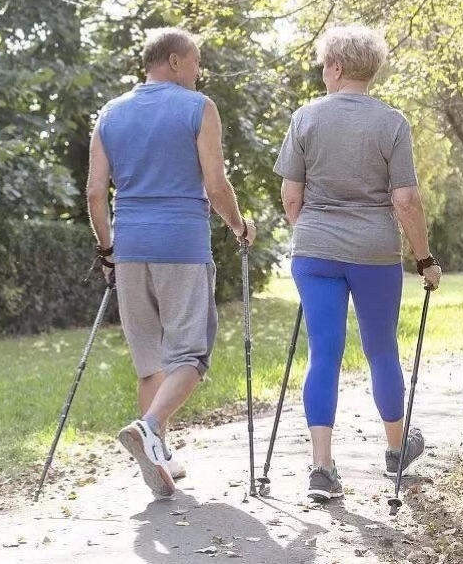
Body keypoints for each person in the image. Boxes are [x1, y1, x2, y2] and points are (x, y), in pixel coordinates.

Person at [273, 24, 443, 502]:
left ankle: (322, 467)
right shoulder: (391, 123)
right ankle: (395, 453)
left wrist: (308, 232)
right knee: (381, 350)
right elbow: (406, 199)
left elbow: (291, 195)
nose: (323, 72)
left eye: (325, 64)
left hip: (316, 251)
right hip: (374, 252)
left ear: (338, 67)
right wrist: (424, 258)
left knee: (323, 353)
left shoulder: (305, 118)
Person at [86, 27, 257, 499]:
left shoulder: (111, 113)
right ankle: (151, 426)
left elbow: (96, 193)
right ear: (176, 60)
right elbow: (216, 184)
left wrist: (107, 249)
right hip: (181, 245)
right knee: (191, 354)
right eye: (196, 61)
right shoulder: (197, 107)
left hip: (131, 248)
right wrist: (240, 225)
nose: (199, 71)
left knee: (150, 361)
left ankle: (158, 460)